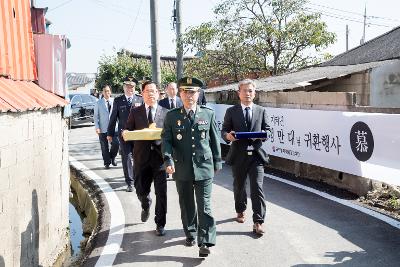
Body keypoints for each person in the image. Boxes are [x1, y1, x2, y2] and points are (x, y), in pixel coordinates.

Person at [161, 77, 222, 257]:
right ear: (180, 93)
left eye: (193, 92)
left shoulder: (207, 113)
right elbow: (166, 140)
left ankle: (206, 241)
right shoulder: (172, 116)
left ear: (199, 94)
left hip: (204, 166)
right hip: (182, 167)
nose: (189, 96)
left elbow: (214, 139)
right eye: (186, 92)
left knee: (204, 205)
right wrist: (168, 160)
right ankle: (190, 233)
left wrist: (217, 161)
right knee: (187, 204)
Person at [221, 79, 270, 236]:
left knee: (257, 187)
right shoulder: (231, 111)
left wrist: (263, 136)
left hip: (256, 155)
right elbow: (224, 131)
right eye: (244, 90)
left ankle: (258, 221)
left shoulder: (261, 111)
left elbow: (267, 130)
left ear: (254, 93)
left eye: (250, 91)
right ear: (238, 93)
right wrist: (228, 136)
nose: (247, 93)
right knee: (239, 185)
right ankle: (240, 210)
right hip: (238, 155)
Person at [124, 81, 168, 236]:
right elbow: (128, 129)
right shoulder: (136, 112)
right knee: (141, 188)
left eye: (154, 91)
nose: (151, 94)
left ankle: (160, 223)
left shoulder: (166, 112)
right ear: (142, 94)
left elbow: (170, 137)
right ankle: (145, 203)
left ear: (158, 93)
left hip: (160, 158)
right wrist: (125, 133)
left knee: (161, 192)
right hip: (141, 158)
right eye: (148, 91)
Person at [107, 76, 143, 192]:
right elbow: (113, 118)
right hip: (124, 135)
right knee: (126, 157)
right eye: (127, 86)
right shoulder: (118, 101)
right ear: (124, 87)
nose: (130, 88)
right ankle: (130, 182)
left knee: (138, 158)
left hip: (137, 134)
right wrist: (110, 133)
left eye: (132, 86)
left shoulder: (140, 100)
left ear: (135, 88)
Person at [94, 85, 119, 169]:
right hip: (102, 128)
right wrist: (97, 127)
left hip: (114, 128)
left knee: (116, 143)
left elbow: (118, 115)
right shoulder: (98, 103)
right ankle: (107, 162)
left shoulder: (115, 101)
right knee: (104, 146)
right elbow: (96, 116)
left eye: (108, 91)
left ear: (110, 92)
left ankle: (112, 157)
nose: (107, 93)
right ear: (102, 92)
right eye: (105, 91)